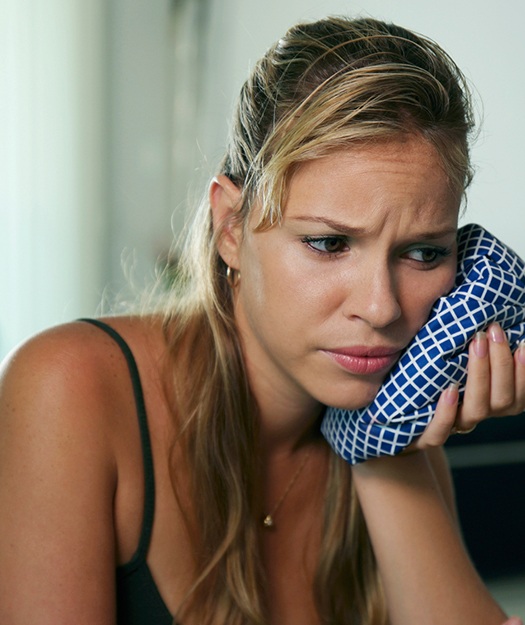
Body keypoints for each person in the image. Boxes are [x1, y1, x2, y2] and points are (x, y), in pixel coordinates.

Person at [0, 15, 523, 625]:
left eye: (424, 253)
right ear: (230, 228)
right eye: (329, 244)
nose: (381, 307)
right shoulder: (71, 389)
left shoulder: (394, 424)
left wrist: (385, 448)